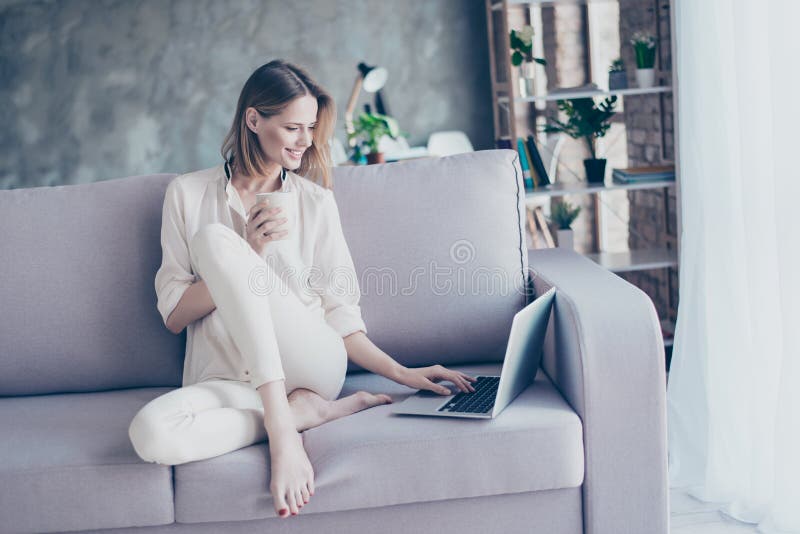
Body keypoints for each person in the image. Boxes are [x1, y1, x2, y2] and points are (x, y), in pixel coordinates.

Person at [127, 59, 477, 520]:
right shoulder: (187, 194)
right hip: (228, 378)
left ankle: (281, 428)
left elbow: (342, 320)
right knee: (151, 434)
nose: (306, 140)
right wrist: (248, 250)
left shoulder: (315, 203)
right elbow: (174, 315)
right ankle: (304, 416)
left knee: (214, 239)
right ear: (254, 120)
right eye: (293, 127)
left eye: (310, 127)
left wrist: (403, 372)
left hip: (311, 364)